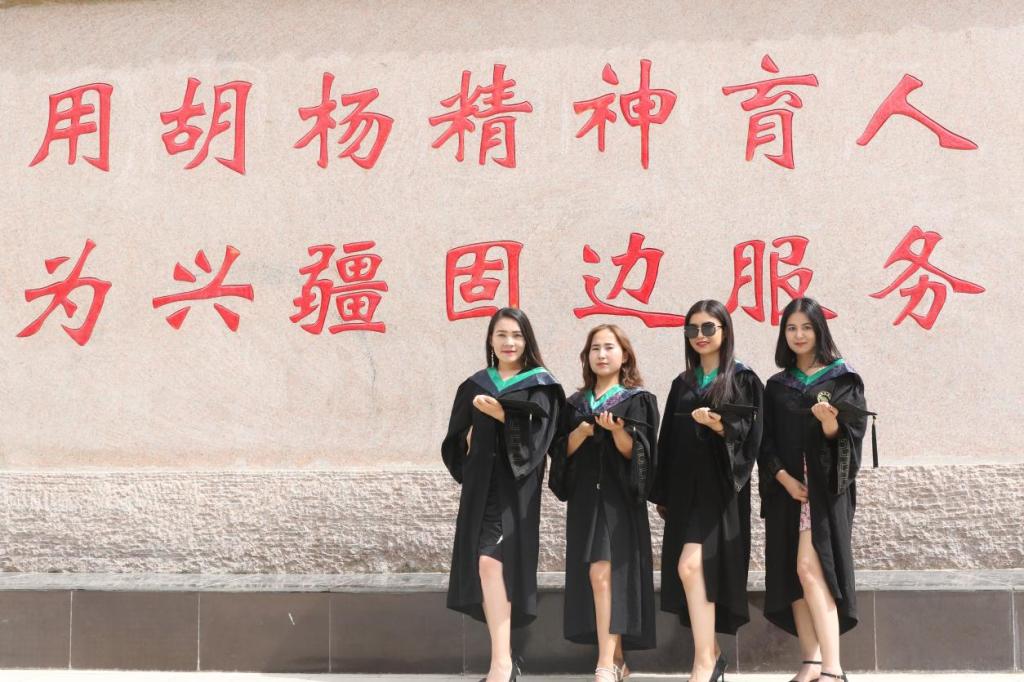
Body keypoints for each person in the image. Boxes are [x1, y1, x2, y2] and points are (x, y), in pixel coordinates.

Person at [441, 307, 564, 682]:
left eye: (516, 335)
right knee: (486, 566)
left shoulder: (541, 387)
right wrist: (470, 464)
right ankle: (503, 663)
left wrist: (504, 417)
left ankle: (502, 665)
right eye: (502, 335)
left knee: (491, 564)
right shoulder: (475, 385)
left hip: (516, 494)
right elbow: (453, 441)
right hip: (482, 493)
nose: (509, 342)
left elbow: (540, 443)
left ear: (527, 340)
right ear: (491, 341)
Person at [650, 299, 763, 682]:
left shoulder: (743, 379)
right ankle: (710, 654)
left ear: (725, 331)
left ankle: (704, 662)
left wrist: (719, 426)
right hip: (685, 492)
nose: (700, 335)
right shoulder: (682, 383)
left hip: (720, 491)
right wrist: (663, 491)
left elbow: (751, 437)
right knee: (690, 570)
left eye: (708, 327)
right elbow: (667, 440)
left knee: (692, 566)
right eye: (693, 329)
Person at [758, 297, 868, 682]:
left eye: (806, 327)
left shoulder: (842, 379)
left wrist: (830, 425)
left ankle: (833, 668)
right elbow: (764, 442)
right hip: (788, 490)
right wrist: (783, 479)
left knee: (809, 566)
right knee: (794, 573)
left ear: (820, 330)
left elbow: (851, 435)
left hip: (823, 491)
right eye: (791, 328)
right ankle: (810, 662)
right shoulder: (776, 386)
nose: (799, 334)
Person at [550, 324, 659, 682]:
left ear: (624, 355)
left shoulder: (638, 400)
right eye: (595, 348)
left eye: (609, 347)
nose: (601, 354)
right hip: (585, 499)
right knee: (600, 576)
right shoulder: (574, 404)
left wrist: (617, 432)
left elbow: (639, 454)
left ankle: (605, 663)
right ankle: (618, 659)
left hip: (619, 500)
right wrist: (580, 432)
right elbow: (560, 454)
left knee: (603, 572)